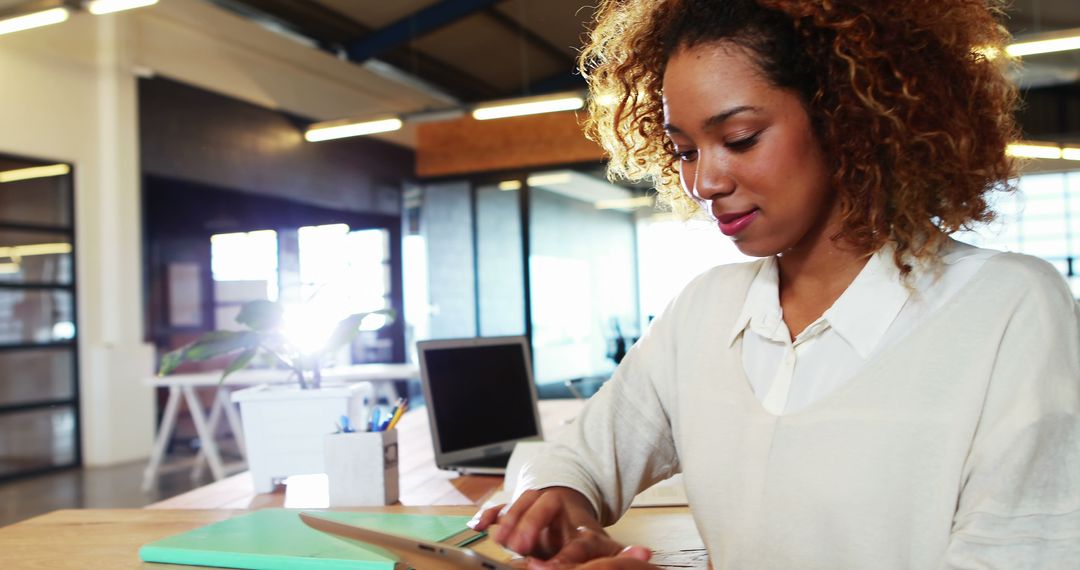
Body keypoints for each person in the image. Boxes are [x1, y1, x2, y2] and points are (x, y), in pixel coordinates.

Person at [470, 0, 1080, 568]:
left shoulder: (1008, 308)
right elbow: (575, 454)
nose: (704, 181)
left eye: (739, 139)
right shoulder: (706, 311)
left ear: (846, 116)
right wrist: (558, 498)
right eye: (683, 149)